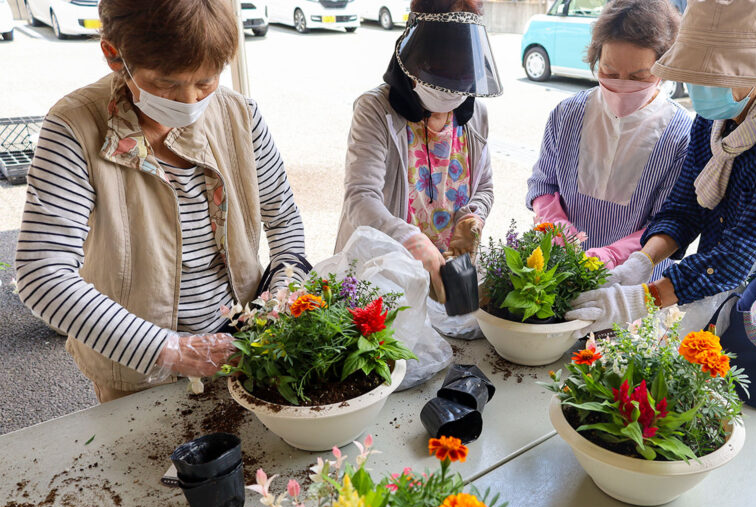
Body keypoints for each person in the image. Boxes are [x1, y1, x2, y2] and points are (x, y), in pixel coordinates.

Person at [15, 0, 309, 402]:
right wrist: (171, 350)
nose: (188, 102)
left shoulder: (240, 116)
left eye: (206, 82)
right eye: (167, 83)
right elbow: (42, 274)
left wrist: (283, 295)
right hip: (137, 369)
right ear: (114, 55)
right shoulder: (74, 128)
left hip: (244, 350)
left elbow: (284, 220)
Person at [566, 0, 756, 359]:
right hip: (717, 289)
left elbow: (745, 249)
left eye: (716, 76)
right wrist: (639, 264)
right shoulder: (713, 121)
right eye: (695, 74)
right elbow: (685, 208)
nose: (700, 88)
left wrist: (641, 299)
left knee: (753, 394)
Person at [335, 0, 500, 303]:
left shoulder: (476, 117)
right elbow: (360, 199)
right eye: (439, 75)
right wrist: (408, 238)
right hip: (382, 278)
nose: (449, 90)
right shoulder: (375, 111)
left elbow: (485, 187)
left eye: (459, 80)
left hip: (452, 273)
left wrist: (471, 219)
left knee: (459, 340)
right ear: (414, 58)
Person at [526, 0, 691, 280]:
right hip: (561, 270)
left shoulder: (680, 134)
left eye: (639, 77)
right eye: (610, 73)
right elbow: (543, 183)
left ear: (664, 69)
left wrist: (612, 256)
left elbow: (668, 222)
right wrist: (556, 226)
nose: (622, 86)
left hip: (636, 279)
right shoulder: (567, 115)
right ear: (595, 60)